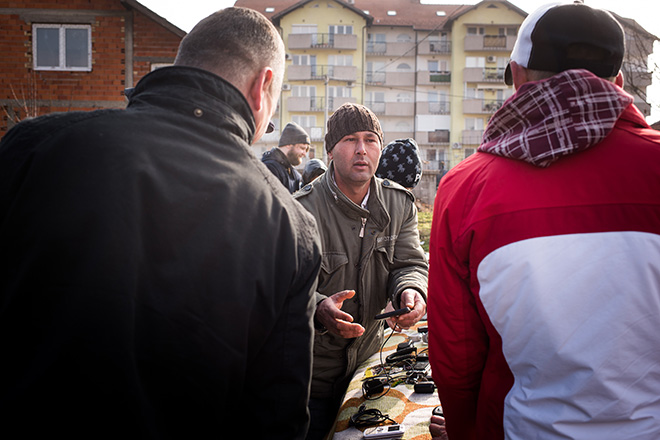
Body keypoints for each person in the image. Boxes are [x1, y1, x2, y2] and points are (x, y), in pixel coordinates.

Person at [0, 7, 322, 440]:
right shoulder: (289, 225)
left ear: (182, 62)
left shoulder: (33, 146)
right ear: (262, 87)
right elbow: (275, 420)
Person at [427, 3, 660, 440]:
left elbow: (456, 356)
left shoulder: (465, 190)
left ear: (517, 76)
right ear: (620, 83)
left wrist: (465, 430)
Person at [294, 103, 429, 439]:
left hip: (367, 369)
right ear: (330, 150)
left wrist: (410, 290)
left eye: (371, 140)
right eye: (350, 139)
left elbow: (410, 263)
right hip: (311, 377)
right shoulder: (299, 209)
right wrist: (317, 306)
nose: (361, 150)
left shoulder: (399, 204)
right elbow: (281, 283)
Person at [262, 121, 310, 193]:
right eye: (302, 148)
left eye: (306, 150)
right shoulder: (269, 169)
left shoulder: (294, 174)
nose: (304, 154)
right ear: (288, 145)